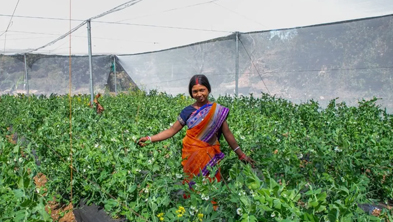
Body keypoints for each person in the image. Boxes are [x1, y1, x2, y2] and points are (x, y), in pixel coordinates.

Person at [137, 74, 255, 187]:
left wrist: (241, 155)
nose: (199, 94)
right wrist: (150, 139)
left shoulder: (217, 111)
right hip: (192, 156)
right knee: (193, 190)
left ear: (208, 90)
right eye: (195, 91)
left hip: (210, 156)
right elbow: (171, 131)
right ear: (191, 93)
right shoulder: (188, 111)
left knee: (211, 190)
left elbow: (227, 133)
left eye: (202, 90)